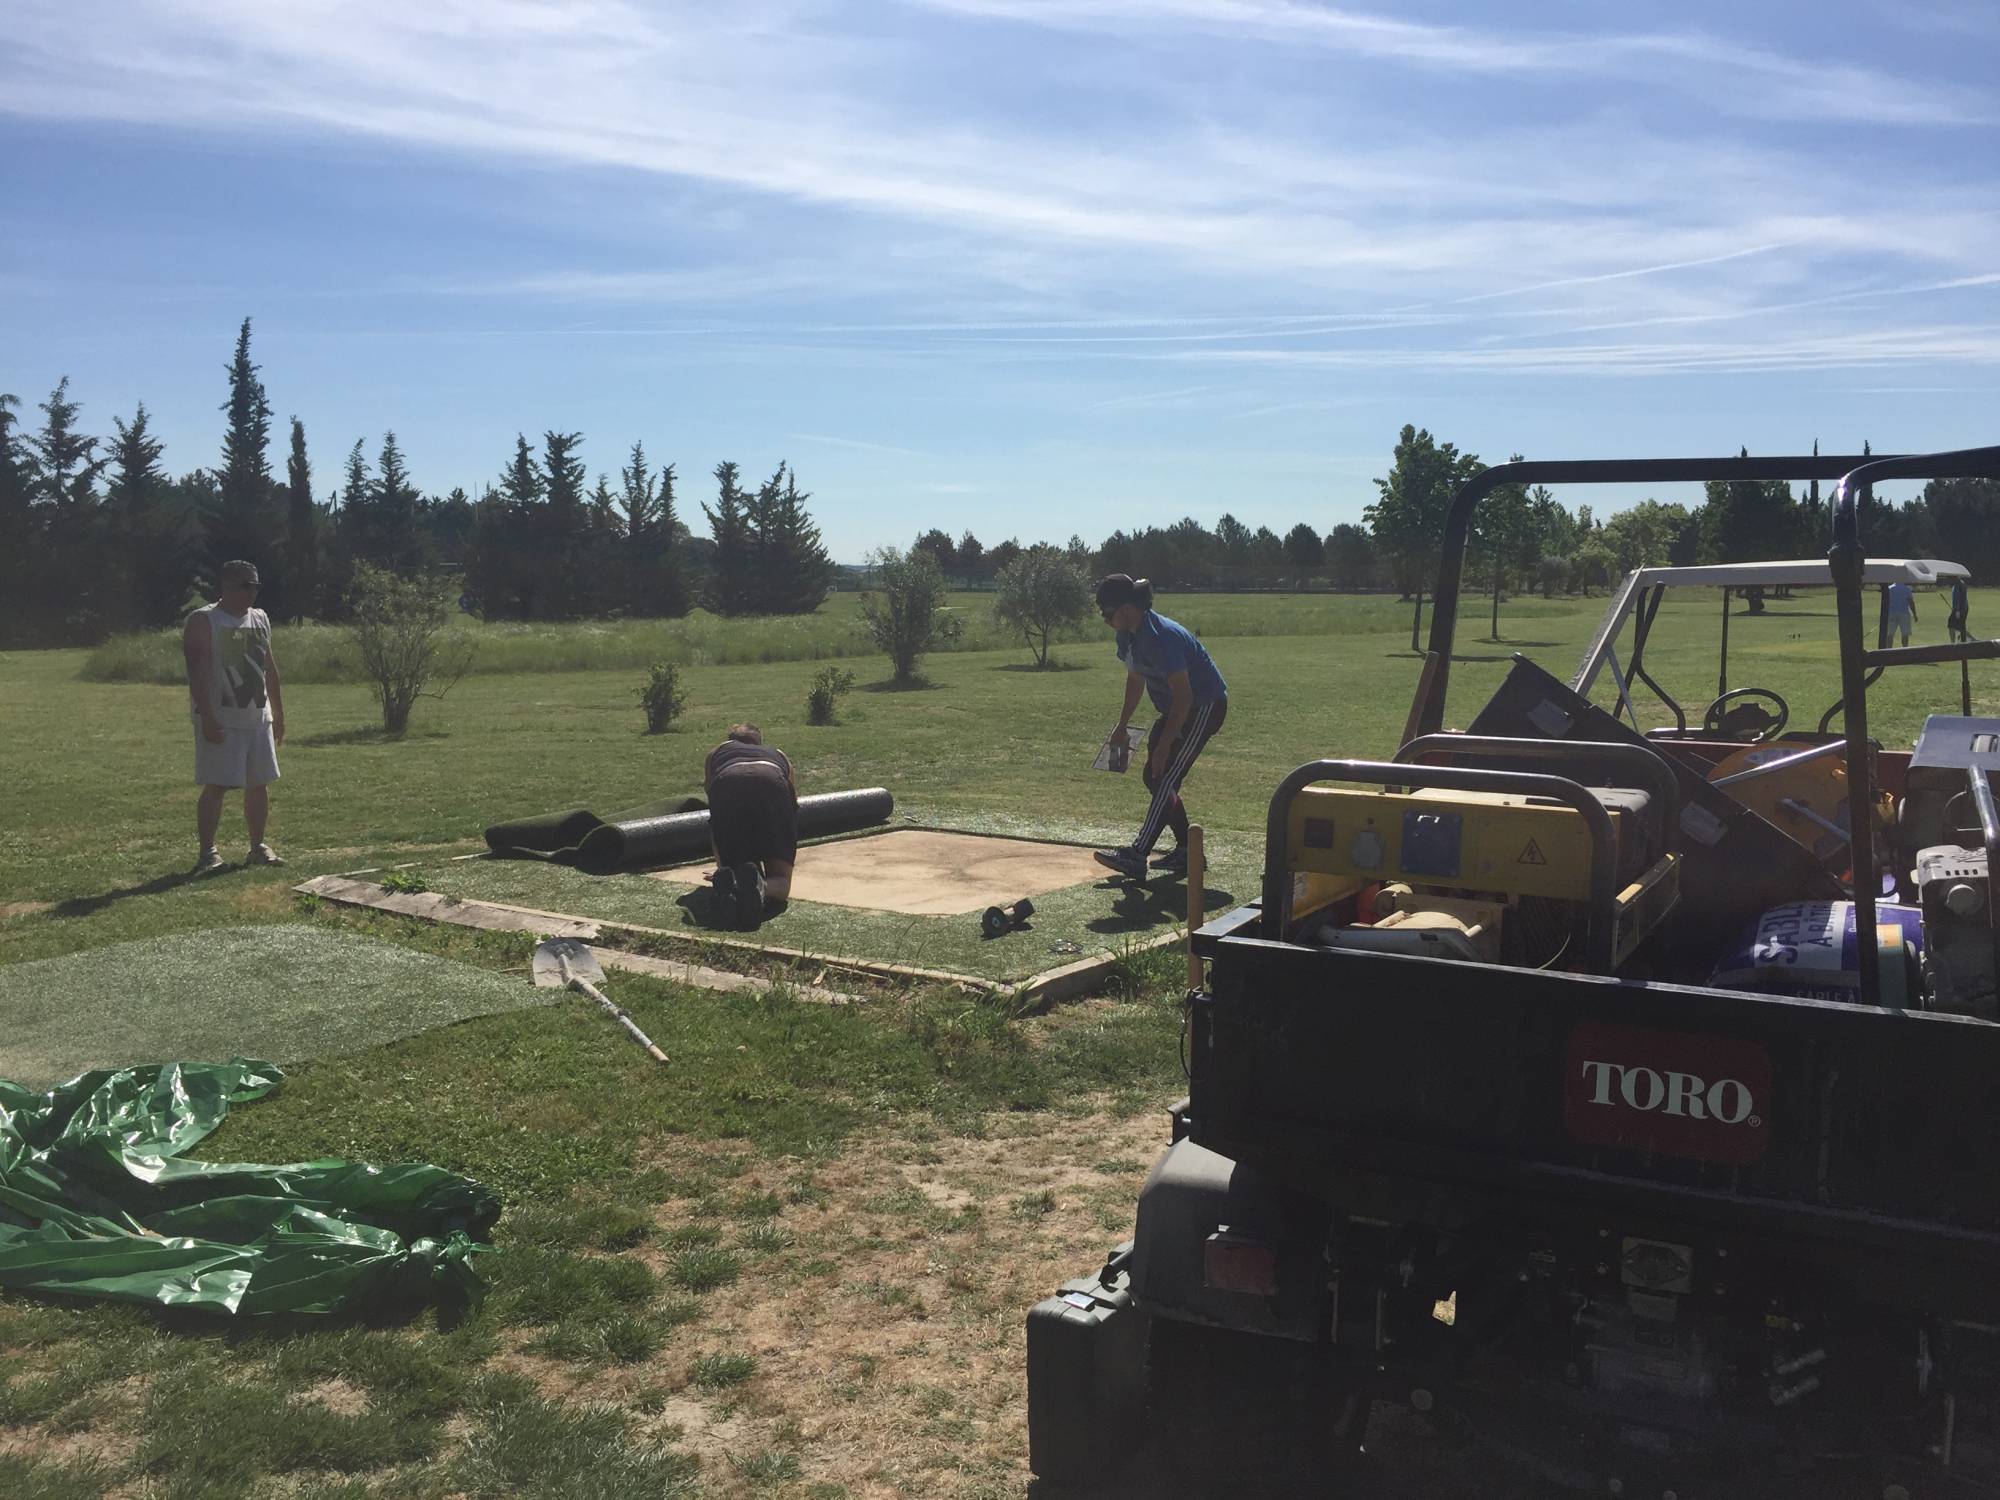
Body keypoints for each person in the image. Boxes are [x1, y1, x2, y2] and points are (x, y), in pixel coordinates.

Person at [1092, 574, 1228, 881]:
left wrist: (1166, 743)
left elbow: (1185, 694)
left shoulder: (1161, 637)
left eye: (1107, 613)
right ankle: (1186, 852)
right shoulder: (1127, 636)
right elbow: (1135, 679)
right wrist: (1122, 725)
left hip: (1204, 705)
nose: (1105, 620)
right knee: (1155, 777)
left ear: (1127, 608)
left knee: (1165, 774)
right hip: (1177, 708)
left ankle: (1137, 855)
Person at [182, 559, 286, 875]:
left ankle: (257, 847)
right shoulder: (204, 621)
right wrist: (208, 717)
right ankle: (207, 854)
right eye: (245, 585)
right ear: (225, 587)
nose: (251, 592)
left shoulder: (260, 619)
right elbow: (196, 672)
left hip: (258, 718)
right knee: (217, 785)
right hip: (222, 719)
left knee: (260, 783)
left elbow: (268, 665)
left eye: (255, 585)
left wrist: (279, 713)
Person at [703, 723, 798, 928]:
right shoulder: (779, 754)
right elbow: (791, 806)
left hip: (728, 781)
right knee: (781, 883)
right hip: (771, 780)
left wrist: (723, 862)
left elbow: (714, 806)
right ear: (759, 742)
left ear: (730, 740)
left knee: (723, 838)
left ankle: (729, 876)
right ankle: (762, 884)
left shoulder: (717, 752)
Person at [1885, 579, 1918, 647]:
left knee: (1889, 634)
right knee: (1905, 634)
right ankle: (1905, 649)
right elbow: (1911, 602)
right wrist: (1914, 614)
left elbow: (1886, 602)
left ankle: (1888, 650)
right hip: (1904, 614)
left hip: (1891, 613)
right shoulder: (1907, 589)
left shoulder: (1889, 588)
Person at [1949, 575, 1972, 644]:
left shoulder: (1958, 585)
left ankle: (1953, 643)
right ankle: (1964, 641)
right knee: (1961, 626)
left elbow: (1958, 599)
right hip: (1964, 609)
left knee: (1951, 625)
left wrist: (1957, 610)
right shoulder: (1962, 583)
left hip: (1959, 610)